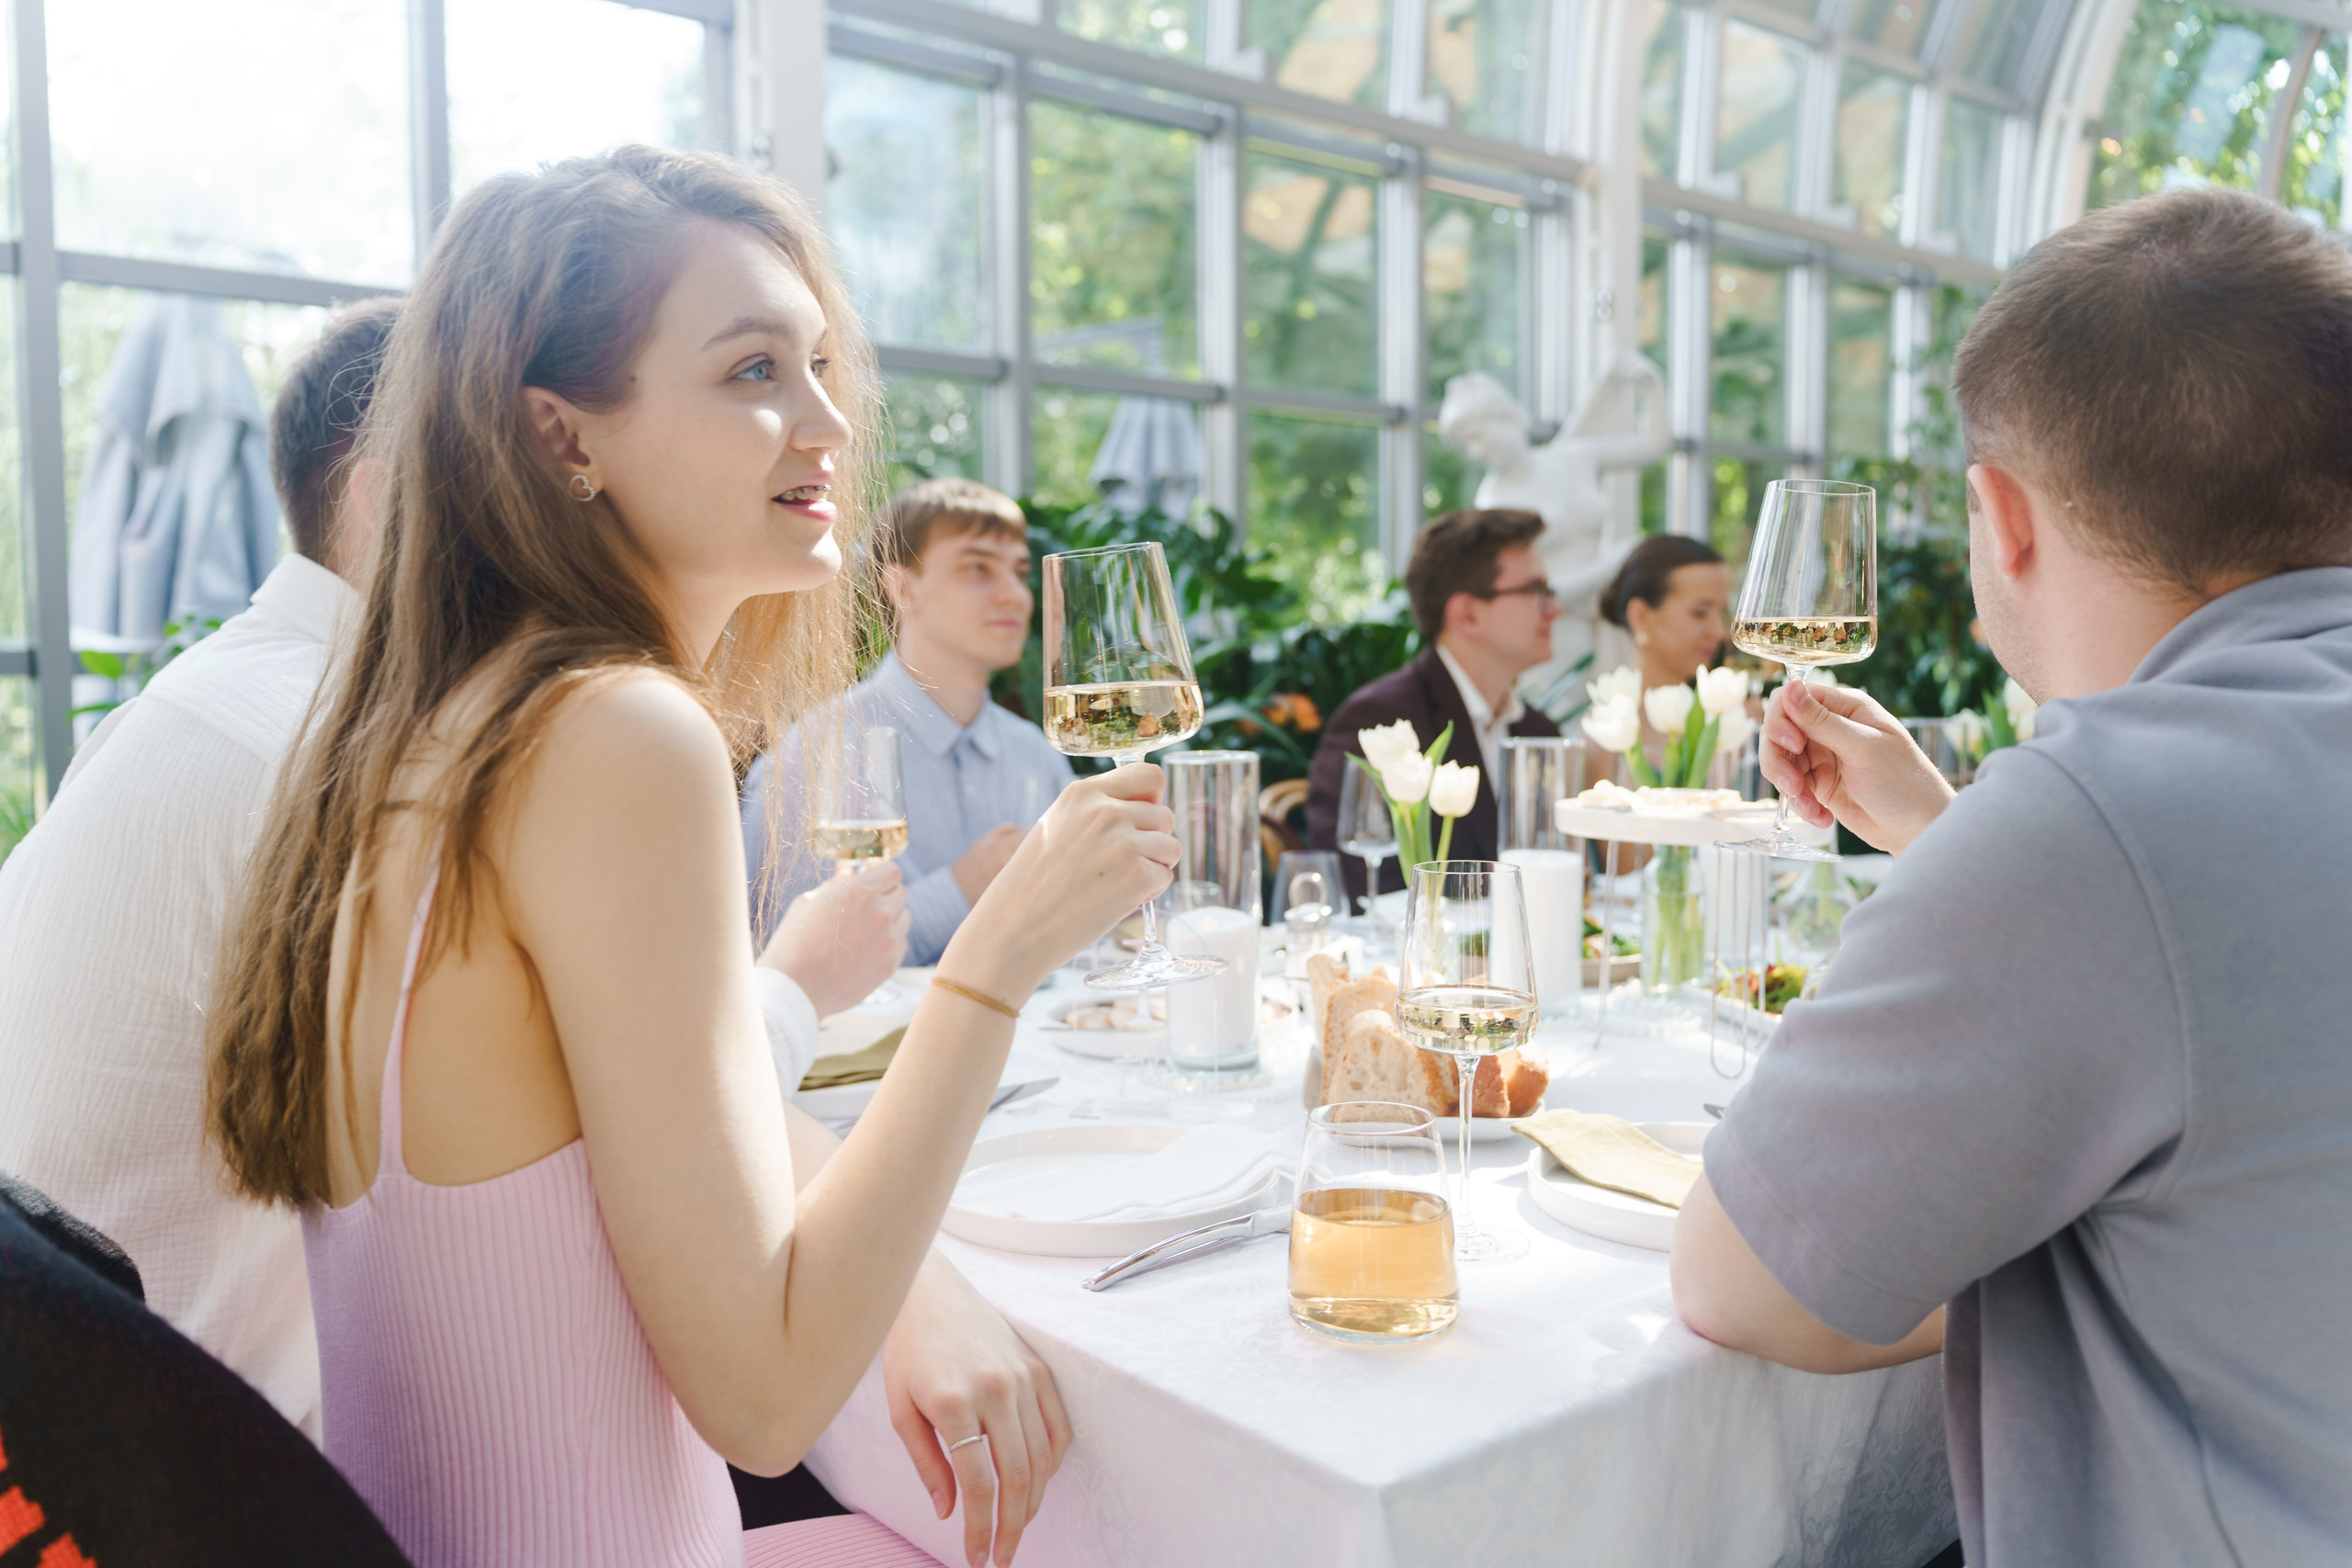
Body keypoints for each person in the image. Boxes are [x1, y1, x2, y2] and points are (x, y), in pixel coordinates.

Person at [203, 146, 1177, 1568]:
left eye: (821, 363)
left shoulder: (431, 726)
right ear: (562, 437)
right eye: (751, 372)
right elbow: (768, 1393)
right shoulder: (619, 737)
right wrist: (997, 956)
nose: (829, 421)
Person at [1669, 187, 2352, 1566]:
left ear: (2003, 515)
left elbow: (1751, 1282)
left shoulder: (2104, 811)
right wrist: (1951, 834)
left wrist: (2015, 842)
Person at [743, 478, 1072, 965]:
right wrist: (961, 889)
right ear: (900, 588)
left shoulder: (1039, 757)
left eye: (1019, 572)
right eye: (978, 568)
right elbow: (779, 957)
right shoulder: (811, 759)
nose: (1014, 596)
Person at [1305, 508, 1563, 905]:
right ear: (1467, 613)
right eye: (1535, 592)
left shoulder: (1538, 733)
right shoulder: (1380, 725)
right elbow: (1365, 891)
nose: (1554, 609)